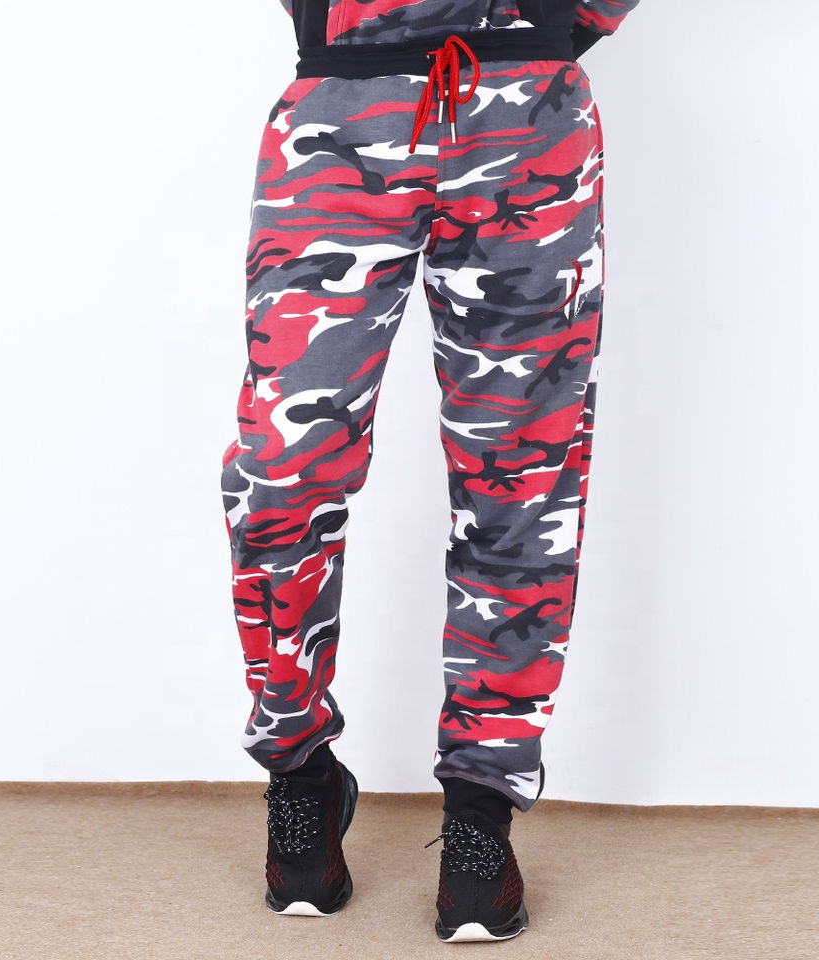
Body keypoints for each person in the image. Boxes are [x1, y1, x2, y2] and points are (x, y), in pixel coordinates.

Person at [220, 0, 641, 942]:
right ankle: (299, 768)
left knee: (523, 478)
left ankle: (482, 811)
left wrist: (555, 21)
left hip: (529, 115)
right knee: (281, 467)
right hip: (339, 115)